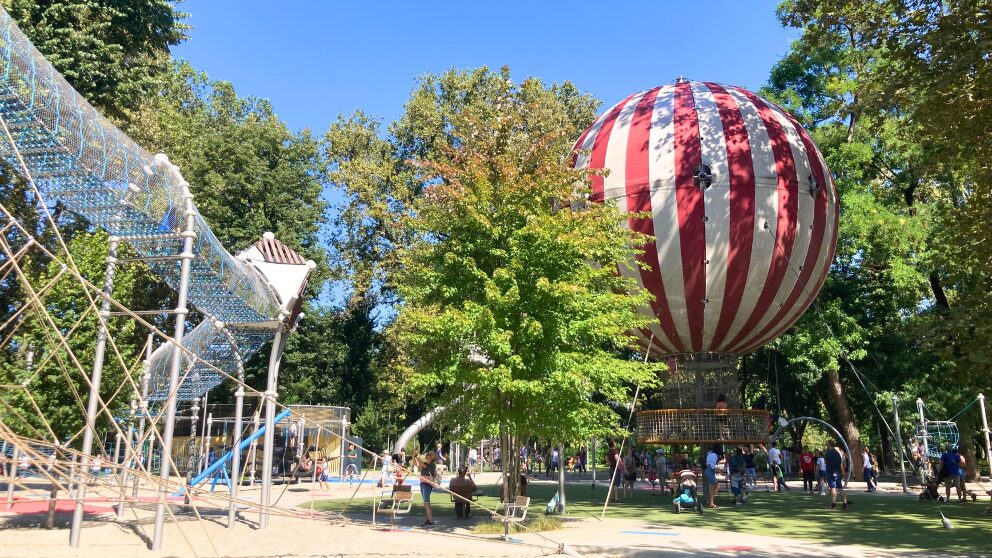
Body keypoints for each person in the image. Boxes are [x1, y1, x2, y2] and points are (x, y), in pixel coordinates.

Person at [824, 440, 849, 510]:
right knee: (840, 488)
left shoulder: (828, 453)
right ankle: (845, 503)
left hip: (831, 472)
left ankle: (833, 504)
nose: (826, 445)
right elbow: (840, 462)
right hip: (837, 472)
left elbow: (826, 461)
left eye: (827, 444)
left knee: (832, 487)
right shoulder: (838, 453)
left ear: (829, 444)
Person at [419, 451, 439, 527]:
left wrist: (416, 456)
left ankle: (430, 521)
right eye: (427, 455)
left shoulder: (431, 465)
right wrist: (414, 455)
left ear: (431, 458)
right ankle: (428, 520)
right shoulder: (426, 464)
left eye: (429, 456)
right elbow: (416, 463)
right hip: (423, 483)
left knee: (426, 503)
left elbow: (420, 463)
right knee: (426, 503)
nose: (427, 456)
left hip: (427, 484)